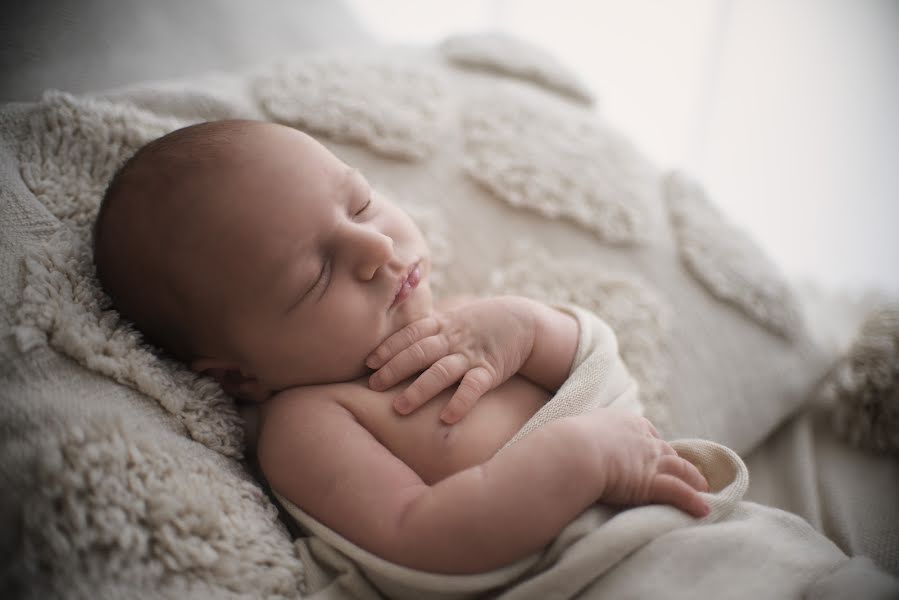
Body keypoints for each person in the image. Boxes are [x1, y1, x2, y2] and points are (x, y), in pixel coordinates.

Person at [92, 119, 710, 575]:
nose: (377, 250)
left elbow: (597, 372)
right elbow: (420, 539)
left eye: (361, 204)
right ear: (237, 377)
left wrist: (527, 327)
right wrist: (583, 459)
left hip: (688, 528)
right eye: (316, 276)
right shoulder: (309, 422)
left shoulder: (473, 322)